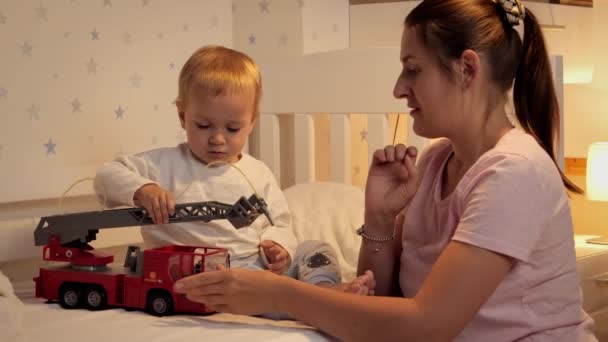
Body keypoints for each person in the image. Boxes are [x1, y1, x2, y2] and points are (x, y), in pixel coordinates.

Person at [171, 0, 598, 340]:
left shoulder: (515, 171)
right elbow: (385, 300)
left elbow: (426, 326)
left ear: (467, 68)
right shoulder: (435, 161)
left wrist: (279, 292)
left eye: (413, 70)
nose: (398, 88)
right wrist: (379, 219)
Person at [94, 46, 355, 292]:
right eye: (203, 125)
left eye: (232, 129)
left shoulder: (258, 173)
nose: (218, 139)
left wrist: (279, 246)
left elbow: (280, 221)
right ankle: (304, 301)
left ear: (251, 123)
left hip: (255, 266)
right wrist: (143, 190)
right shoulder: (162, 165)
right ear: (183, 116)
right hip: (190, 272)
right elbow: (107, 176)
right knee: (269, 295)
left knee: (315, 248)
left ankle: (326, 293)